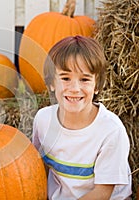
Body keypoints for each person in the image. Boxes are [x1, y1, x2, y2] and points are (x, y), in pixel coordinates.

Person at [32, 36, 132, 199]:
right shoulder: (43, 120)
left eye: (85, 79)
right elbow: (37, 170)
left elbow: (102, 192)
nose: (74, 88)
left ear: (97, 85)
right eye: (65, 78)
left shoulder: (110, 130)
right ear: (51, 82)